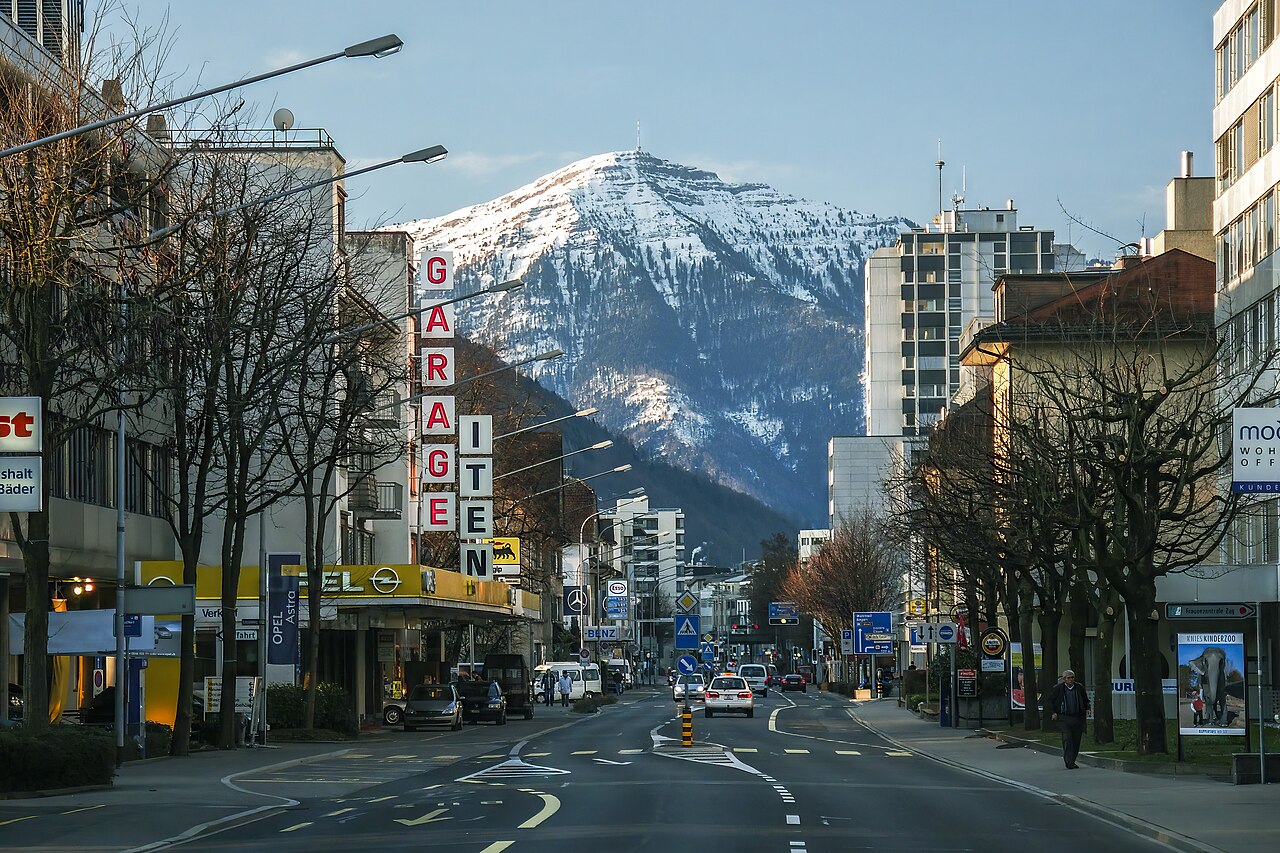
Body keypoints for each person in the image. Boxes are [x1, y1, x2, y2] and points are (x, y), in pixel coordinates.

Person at [1047, 669, 1091, 769]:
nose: (1070, 680)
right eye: (1068, 678)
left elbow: (1085, 700)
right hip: (1064, 717)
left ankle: (1072, 760)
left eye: (1072, 677)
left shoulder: (1079, 688)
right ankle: (1068, 761)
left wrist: (1087, 708)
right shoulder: (1058, 688)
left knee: (1076, 740)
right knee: (1067, 738)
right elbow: (1050, 701)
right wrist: (1053, 712)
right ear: (1064, 679)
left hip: (1077, 717)